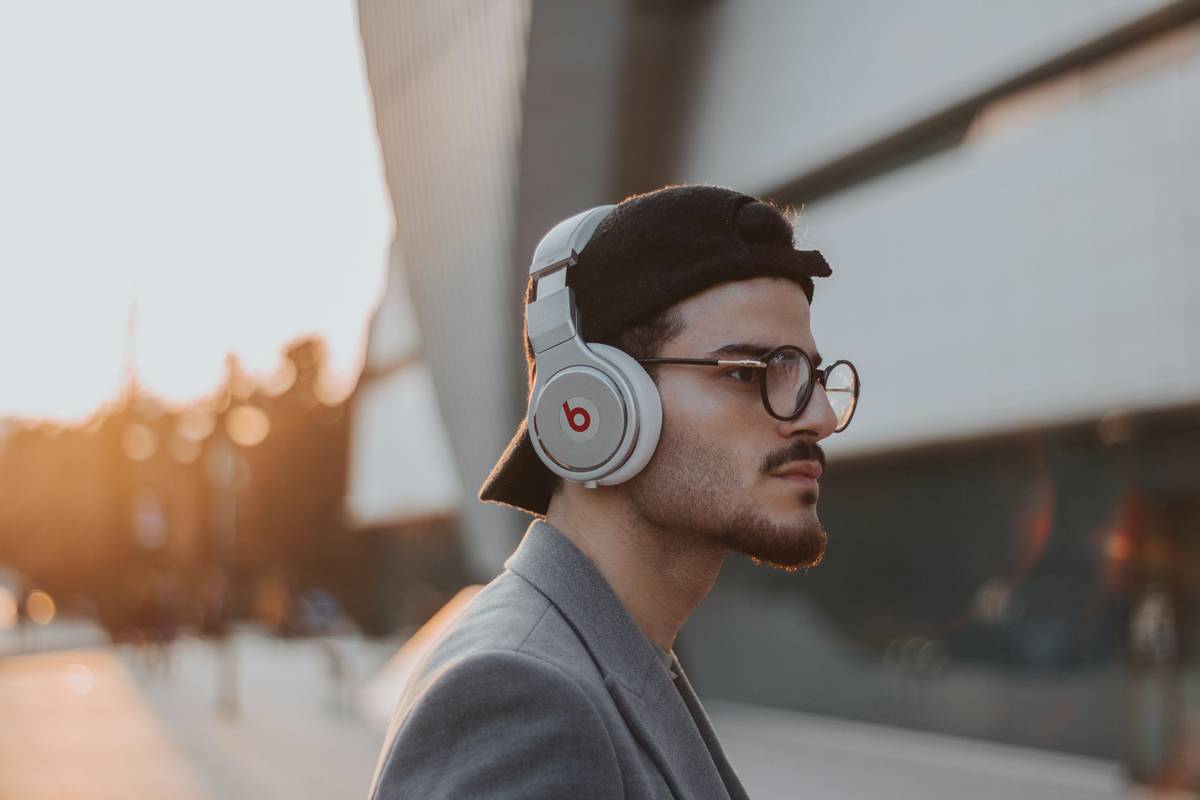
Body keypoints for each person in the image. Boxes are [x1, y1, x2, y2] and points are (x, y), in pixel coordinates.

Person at [368, 185, 861, 799]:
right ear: (593, 407)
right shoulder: (522, 697)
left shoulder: (611, 656)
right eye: (751, 372)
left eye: (811, 377)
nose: (819, 416)